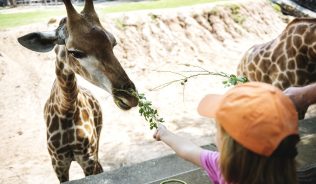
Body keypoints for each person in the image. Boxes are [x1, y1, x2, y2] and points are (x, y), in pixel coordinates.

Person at [154, 82, 300, 184]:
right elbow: (188, 150)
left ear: (231, 146)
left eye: (218, 130)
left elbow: (189, 150)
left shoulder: (222, 167)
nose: (215, 134)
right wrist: (165, 134)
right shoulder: (281, 169)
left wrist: (165, 134)